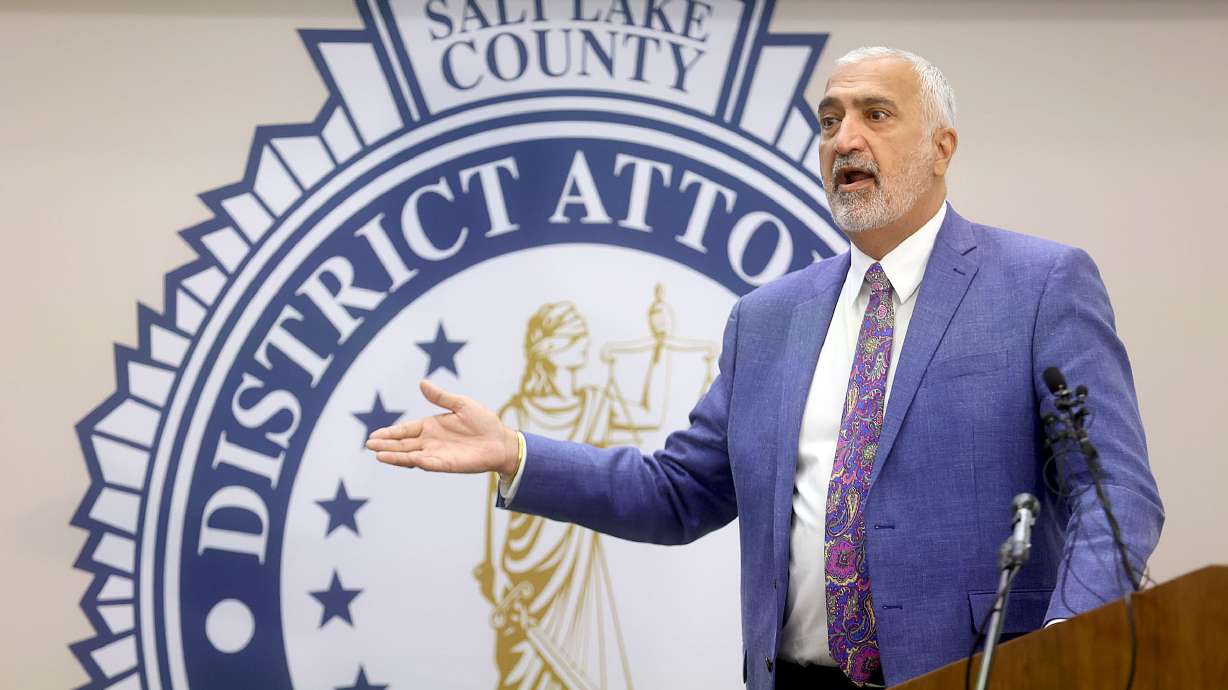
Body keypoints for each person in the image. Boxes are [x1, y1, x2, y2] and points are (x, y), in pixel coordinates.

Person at [366, 46, 1164, 689]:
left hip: (982, 674)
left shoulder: (1039, 284)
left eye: (875, 114)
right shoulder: (770, 318)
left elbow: (1114, 490)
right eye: (829, 120)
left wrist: (1065, 648)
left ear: (941, 147)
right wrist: (519, 454)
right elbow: (679, 493)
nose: (844, 137)